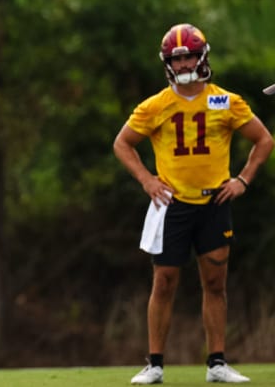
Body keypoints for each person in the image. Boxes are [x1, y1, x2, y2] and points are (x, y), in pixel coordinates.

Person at [113, 23, 273, 384]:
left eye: (188, 56)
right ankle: (154, 364)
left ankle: (216, 363)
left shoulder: (226, 101)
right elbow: (122, 143)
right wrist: (147, 179)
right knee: (164, 281)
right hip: (173, 204)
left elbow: (263, 140)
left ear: (202, 58)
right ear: (168, 63)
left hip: (215, 201)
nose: (184, 64)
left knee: (215, 282)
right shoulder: (156, 105)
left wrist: (243, 180)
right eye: (177, 58)